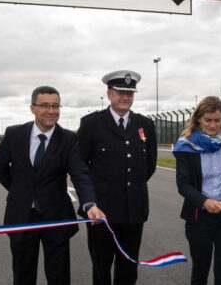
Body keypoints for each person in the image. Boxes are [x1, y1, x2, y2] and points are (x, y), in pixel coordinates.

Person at [0, 85, 105, 285]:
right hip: (21, 216)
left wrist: (89, 204)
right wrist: (20, 191)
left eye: (56, 106)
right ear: (32, 108)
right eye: (45, 105)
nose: (51, 111)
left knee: (59, 276)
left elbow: (80, 174)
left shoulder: (69, 139)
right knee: (23, 274)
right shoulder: (14, 134)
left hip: (57, 217)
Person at [77, 70, 157, 285]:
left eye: (130, 93)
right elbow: (80, 167)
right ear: (109, 94)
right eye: (120, 92)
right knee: (101, 268)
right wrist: (89, 201)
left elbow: (148, 165)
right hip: (101, 213)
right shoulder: (91, 124)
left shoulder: (144, 126)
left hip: (134, 211)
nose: (125, 97)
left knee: (129, 269)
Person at [173, 96, 221, 285]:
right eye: (208, 120)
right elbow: (183, 184)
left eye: (218, 120)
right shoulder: (186, 144)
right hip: (200, 217)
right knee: (200, 273)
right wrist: (204, 202)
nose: (213, 125)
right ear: (198, 118)